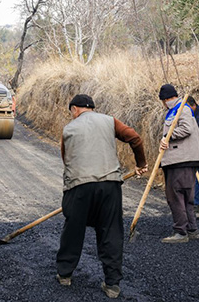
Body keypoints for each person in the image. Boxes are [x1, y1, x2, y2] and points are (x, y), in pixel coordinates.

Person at [56, 94, 148, 299]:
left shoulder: (68, 129)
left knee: (73, 230)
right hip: (110, 185)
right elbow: (135, 138)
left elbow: (66, 159)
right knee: (111, 231)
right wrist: (141, 164)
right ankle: (113, 284)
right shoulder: (109, 121)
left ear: (75, 109)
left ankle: (64, 274)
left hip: (79, 187)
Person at [158, 85, 199, 243]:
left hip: (181, 159)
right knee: (186, 195)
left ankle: (181, 231)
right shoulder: (178, 109)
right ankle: (191, 229)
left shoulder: (182, 109)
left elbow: (187, 128)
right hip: (181, 159)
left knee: (176, 195)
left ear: (165, 99)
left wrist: (167, 136)